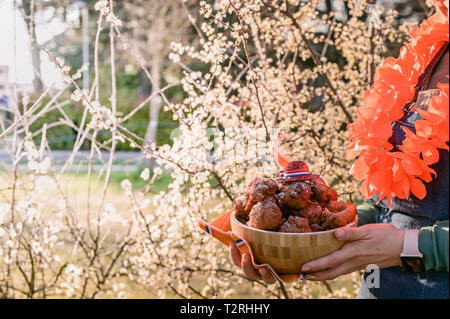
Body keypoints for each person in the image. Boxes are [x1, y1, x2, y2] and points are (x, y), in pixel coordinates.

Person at [229, 0, 449, 298]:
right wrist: (311, 236)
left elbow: (401, 237)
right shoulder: (432, 48)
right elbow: (393, 209)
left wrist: (407, 247)